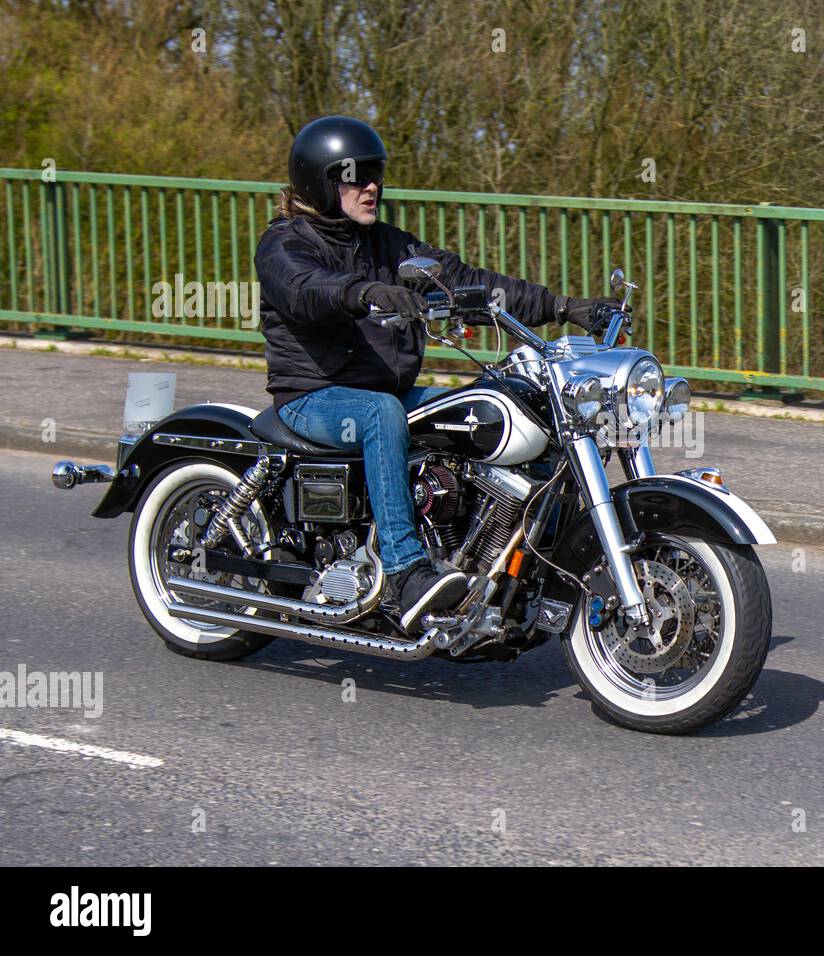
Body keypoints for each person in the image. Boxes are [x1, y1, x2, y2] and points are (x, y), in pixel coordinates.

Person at [255, 115, 617, 634]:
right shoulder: (285, 244)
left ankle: (508, 565)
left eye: (375, 173)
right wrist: (364, 293)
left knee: (494, 409)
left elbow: (470, 283)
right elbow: (305, 288)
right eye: (356, 175)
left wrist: (563, 305)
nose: (372, 185)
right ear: (321, 181)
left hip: (389, 388)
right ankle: (404, 572)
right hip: (314, 396)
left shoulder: (390, 246)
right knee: (381, 414)